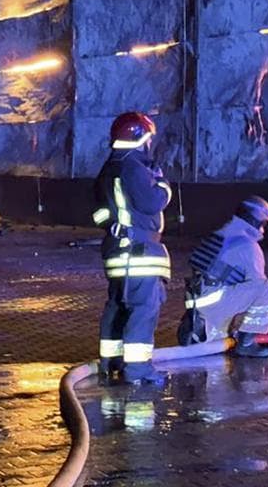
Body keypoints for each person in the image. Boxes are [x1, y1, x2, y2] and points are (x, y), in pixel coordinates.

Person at [93, 112, 173, 385]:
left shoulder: (109, 168)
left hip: (117, 252)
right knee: (143, 309)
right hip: (137, 254)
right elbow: (152, 203)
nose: (149, 145)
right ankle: (139, 371)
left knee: (117, 306)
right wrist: (162, 184)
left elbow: (98, 215)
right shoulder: (135, 168)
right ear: (139, 138)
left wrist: (117, 224)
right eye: (148, 139)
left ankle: (110, 363)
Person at [177, 195, 268, 357]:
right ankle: (247, 343)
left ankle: (201, 330)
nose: (263, 230)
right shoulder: (247, 245)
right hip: (214, 304)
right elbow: (259, 285)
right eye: (263, 224)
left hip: (199, 305)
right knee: (267, 288)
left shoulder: (221, 235)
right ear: (255, 221)